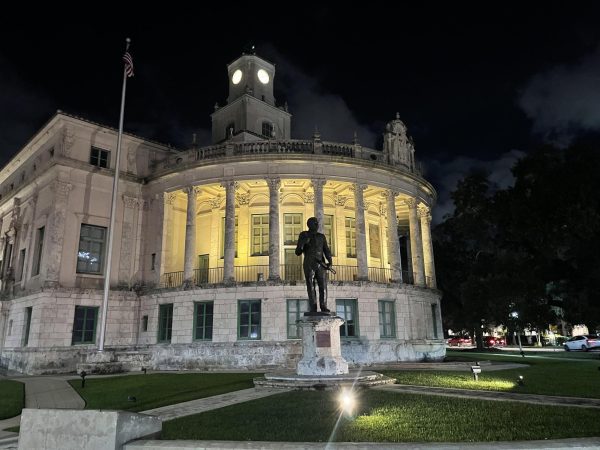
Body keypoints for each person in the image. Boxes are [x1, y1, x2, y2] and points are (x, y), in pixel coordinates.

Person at [295, 217, 333, 313]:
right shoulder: (304, 235)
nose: (317, 225)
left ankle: (323, 306)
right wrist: (303, 243)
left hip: (321, 263)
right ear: (309, 225)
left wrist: (330, 262)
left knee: (323, 286)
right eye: (315, 223)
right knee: (311, 287)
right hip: (309, 263)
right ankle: (313, 307)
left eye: (317, 223)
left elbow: (326, 250)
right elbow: (297, 252)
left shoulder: (321, 236)